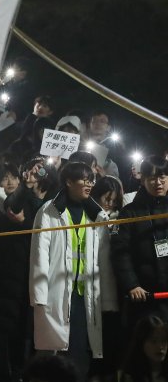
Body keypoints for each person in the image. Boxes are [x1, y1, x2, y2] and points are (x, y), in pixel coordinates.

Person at [29, 162, 118, 381]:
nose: (89, 184)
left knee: (83, 351)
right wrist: (39, 295)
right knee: (60, 353)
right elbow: (39, 255)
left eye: (91, 180)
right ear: (68, 182)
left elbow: (103, 260)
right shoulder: (49, 211)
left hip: (87, 294)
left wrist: (107, 299)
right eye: (84, 180)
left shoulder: (97, 215)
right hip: (58, 291)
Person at [111, 155, 168, 325]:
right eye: (152, 178)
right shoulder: (129, 212)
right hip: (144, 294)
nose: (158, 182)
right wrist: (132, 284)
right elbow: (120, 252)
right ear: (142, 180)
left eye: (163, 177)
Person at [120, 316, 168, 382]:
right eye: (153, 341)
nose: (160, 346)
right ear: (141, 343)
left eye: (163, 341)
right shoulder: (130, 376)